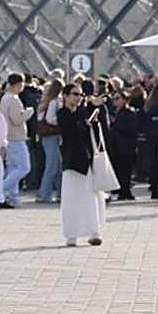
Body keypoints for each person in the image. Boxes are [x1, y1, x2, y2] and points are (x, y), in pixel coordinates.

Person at [57, 83, 105, 246]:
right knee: (71, 199)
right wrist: (89, 107)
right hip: (72, 162)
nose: (79, 98)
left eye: (80, 95)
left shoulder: (83, 112)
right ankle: (72, 235)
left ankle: (94, 232)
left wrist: (94, 111)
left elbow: (94, 131)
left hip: (87, 160)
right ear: (65, 96)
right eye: (75, 94)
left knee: (92, 198)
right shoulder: (63, 113)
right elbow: (71, 128)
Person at [0, 74, 34, 206]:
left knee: (13, 168)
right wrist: (29, 112)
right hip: (16, 137)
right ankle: (1, 188)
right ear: (19, 84)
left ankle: (12, 195)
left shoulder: (5, 98)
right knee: (24, 167)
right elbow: (17, 119)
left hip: (8, 136)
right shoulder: (14, 99)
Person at [35, 79, 63, 203]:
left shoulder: (45, 102)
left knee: (56, 165)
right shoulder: (54, 102)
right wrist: (61, 122)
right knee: (53, 166)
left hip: (46, 135)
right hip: (53, 135)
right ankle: (44, 193)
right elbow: (51, 119)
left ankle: (59, 193)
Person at [108, 90, 138, 200]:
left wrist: (114, 123)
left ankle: (125, 191)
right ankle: (122, 190)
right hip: (116, 145)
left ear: (125, 100)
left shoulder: (129, 113)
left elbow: (129, 129)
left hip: (126, 145)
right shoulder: (115, 112)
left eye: (117, 98)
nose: (115, 101)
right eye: (114, 99)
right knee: (119, 169)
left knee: (125, 169)